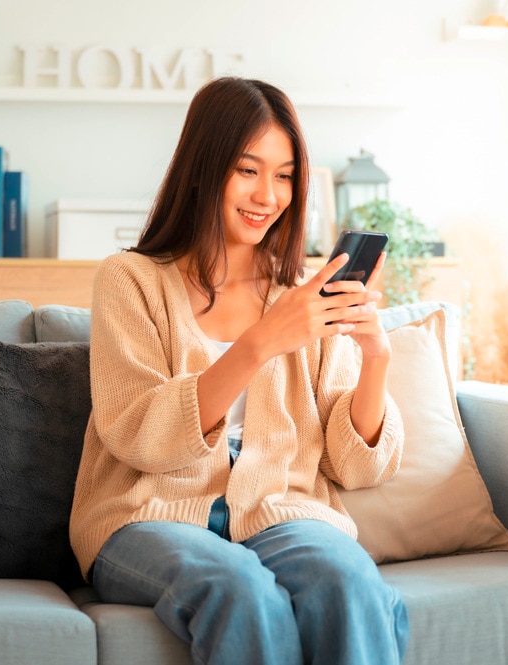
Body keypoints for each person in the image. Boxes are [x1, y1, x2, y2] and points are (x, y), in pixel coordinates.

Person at [68, 76, 409, 665]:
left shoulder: (303, 294)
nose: (267, 195)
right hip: (147, 517)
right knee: (239, 589)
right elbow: (136, 434)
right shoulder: (130, 281)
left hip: (279, 512)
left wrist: (376, 356)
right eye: (248, 170)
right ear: (204, 169)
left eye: (283, 175)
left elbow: (354, 466)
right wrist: (260, 343)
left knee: (350, 583)